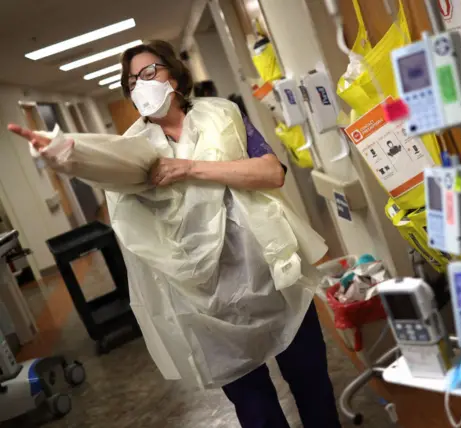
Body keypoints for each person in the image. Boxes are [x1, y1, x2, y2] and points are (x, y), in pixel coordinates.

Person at [8, 40, 341, 428]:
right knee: (256, 409)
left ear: (175, 74)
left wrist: (187, 168)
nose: (141, 84)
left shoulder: (222, 114)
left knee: (312, 383)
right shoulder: (135, 149)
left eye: (150, 72)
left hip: (271, 273)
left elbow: (271, 173)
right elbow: (103, 162)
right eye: (132, 80)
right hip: (208, 300)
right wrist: (64, 154)